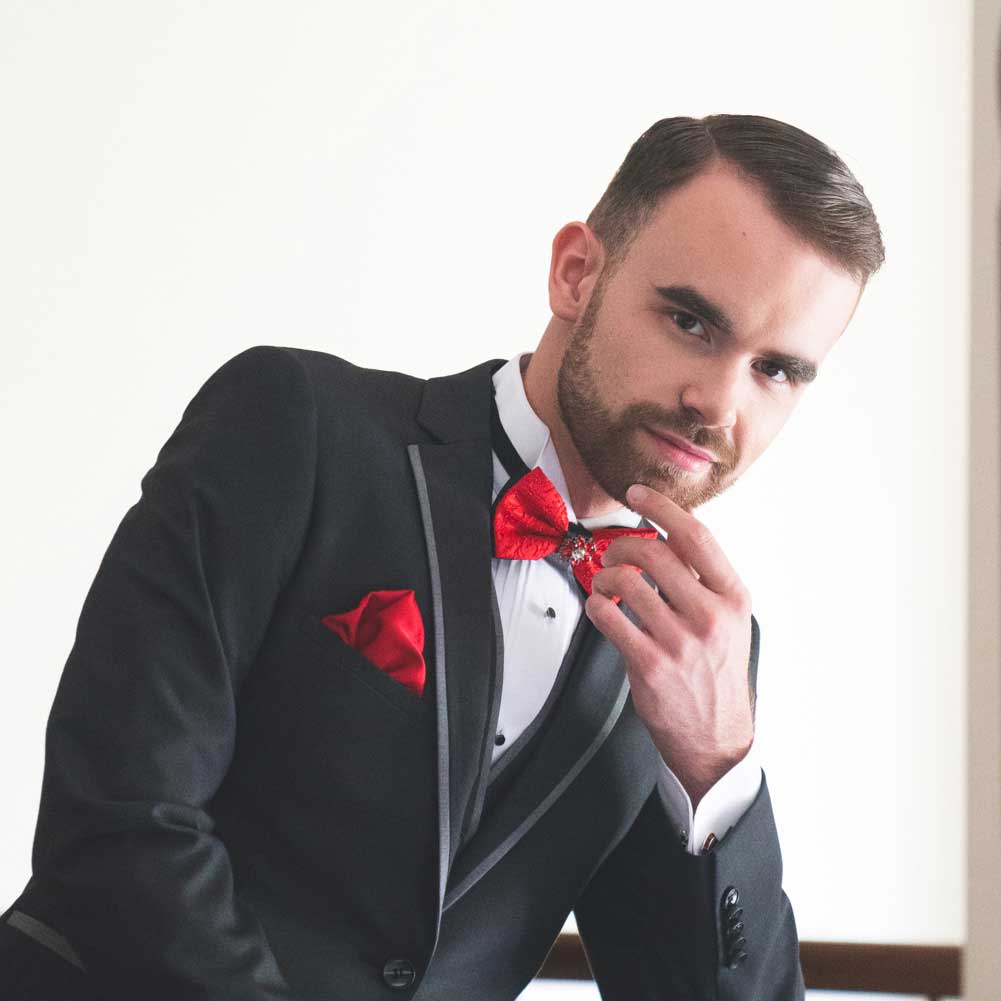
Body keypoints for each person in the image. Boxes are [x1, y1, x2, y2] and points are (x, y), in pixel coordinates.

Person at [0, 114, 883, 1000]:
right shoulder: (297, 429)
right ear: (576, 273)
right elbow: (119, 824)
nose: (716, 401)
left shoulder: (700, 654)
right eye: (690, 320)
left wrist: (717, 765)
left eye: (777, 370)